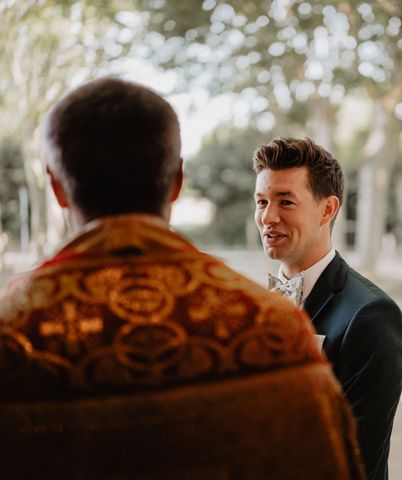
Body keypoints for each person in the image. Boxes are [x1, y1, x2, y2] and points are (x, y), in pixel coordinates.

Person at [0, 78, 364, 479]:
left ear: (56, 188)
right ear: (177, 181)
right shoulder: (271, 326)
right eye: (262, 201)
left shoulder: (13, 331)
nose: (268, 216)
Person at [253, 137, 402, 480]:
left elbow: (355, 461)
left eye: (286, 201)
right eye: (261, 201)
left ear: (327, 209)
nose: (268, 217)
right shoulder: (250, 306)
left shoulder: (370, 315)